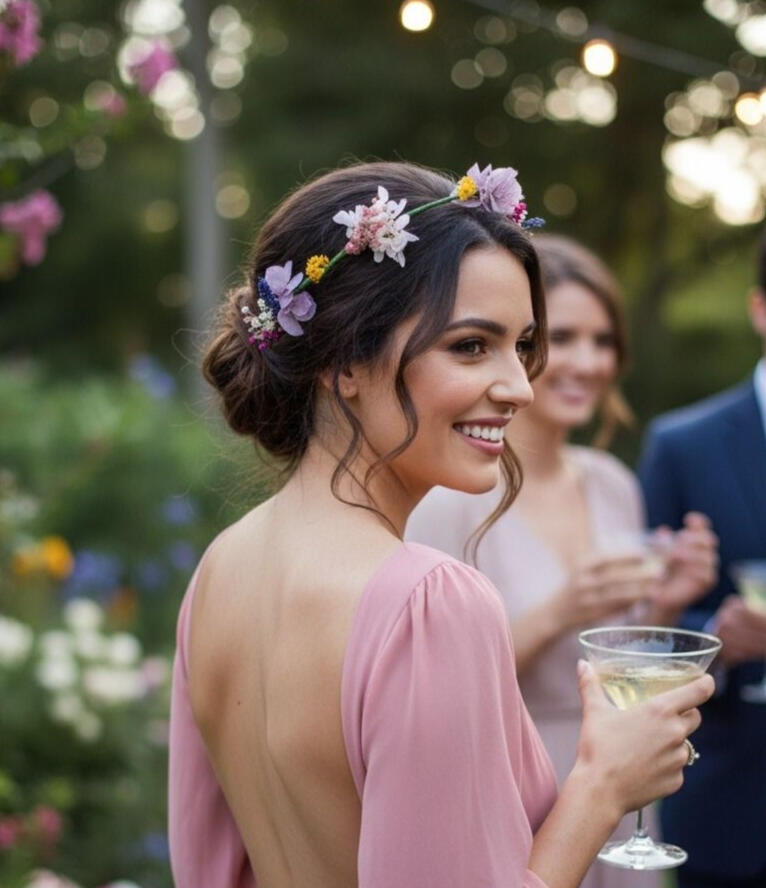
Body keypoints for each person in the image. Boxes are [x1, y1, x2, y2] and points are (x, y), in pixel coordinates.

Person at [168, 163, 713, 888]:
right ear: (346, 361)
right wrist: (603, 786)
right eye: (470, 346)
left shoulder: (222, 570)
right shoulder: (430, 603)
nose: (520, 387)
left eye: (521, 347)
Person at [407, 234, 718, 888]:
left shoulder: (612, 482)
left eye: (603, 342)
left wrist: (668, 603)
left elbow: (618, 664)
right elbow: (428, 690)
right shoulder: (449, 497)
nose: (587, 362)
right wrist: (556, 612)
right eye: (563, 338)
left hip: (625, 804)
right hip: (514, 797)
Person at [638, 241, 766, 888]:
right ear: (760, 309)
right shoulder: (682, 445)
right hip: (730, 803)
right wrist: (720, 635)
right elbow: (640, 625)